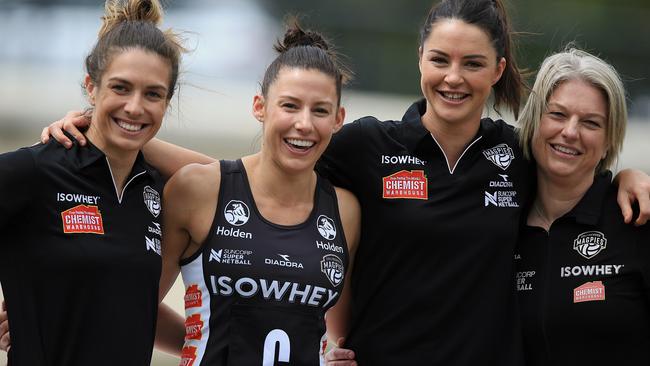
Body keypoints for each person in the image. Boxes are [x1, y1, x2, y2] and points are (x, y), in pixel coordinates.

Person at [12, 0, 650, 364]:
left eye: (472, 63)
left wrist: (627, 176)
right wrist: (117, 133)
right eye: (439, 59)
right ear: (420, 62)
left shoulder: (515, 155)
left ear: (497, 71)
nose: (453, 77)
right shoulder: (367, 145)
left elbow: (574, 161)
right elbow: (254, 177)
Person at [155, 20, 360, 365]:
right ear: (259, 107)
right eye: (290, 105)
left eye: (320, 110)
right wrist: (197, 341)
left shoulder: (346, 210)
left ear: (338, 119)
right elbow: (134, 309)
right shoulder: (197, 189)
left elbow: (339, 336)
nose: (304, 124)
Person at [0, 0, 186, 364]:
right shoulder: (34, 170)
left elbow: (239, 182)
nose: (135, 106)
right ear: (91, 86)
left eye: (153, 94)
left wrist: (217, 349)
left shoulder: (158, 188)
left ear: (167, 101)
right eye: (120, 88)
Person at [514, 48, 650, 365]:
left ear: (608, 140)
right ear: (534, 121)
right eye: (558, 114)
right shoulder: (500, 221)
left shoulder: (638, 219)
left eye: (591, 123)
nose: (571, 132)